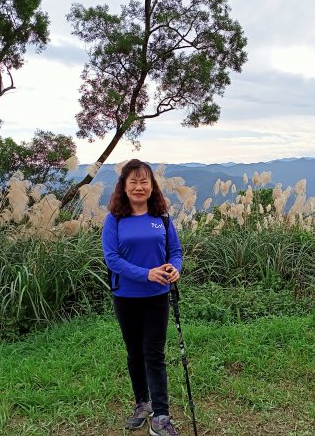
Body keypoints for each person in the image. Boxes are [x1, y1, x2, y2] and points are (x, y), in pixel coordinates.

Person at [102, 159, 182, 436]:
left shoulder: (161, 218)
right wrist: (145, 274)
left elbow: (176, 253)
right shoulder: (114, 219)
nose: (139, 186)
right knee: (135, 352)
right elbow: (112, 259)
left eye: (144, 181)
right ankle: (142, 403)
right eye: (133, 181)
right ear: (124, 186)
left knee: (155, 353)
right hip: (126, 296)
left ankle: (161, 416)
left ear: (152, 186)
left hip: (157, 297)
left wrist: (175, 270)